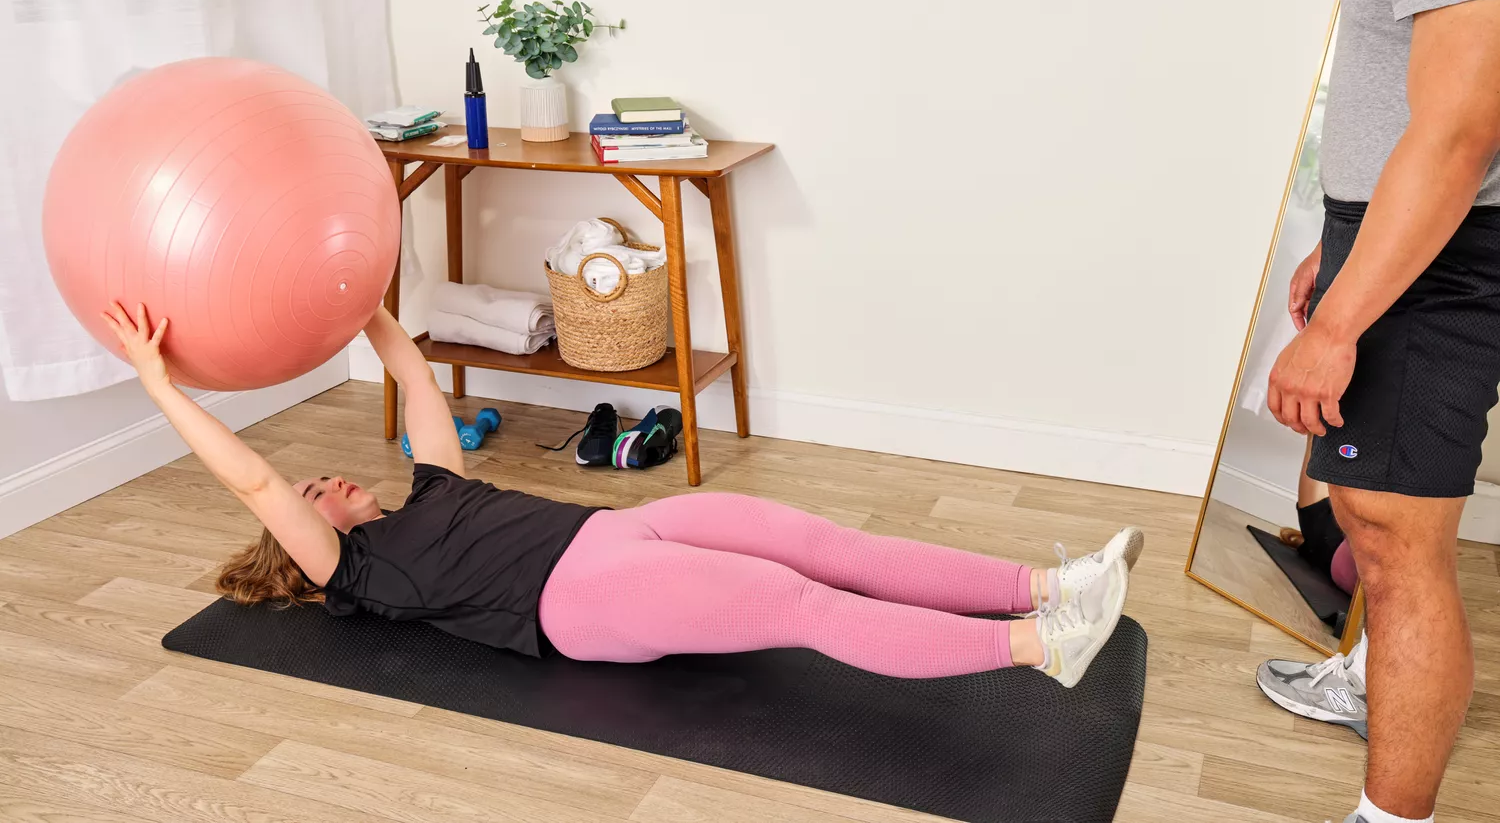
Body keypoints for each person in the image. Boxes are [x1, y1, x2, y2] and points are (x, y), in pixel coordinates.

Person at [101, 301, 1142, 688]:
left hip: (622, 527)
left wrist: (365, 304)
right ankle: (1043, 647)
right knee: (802, 606)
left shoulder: (431, 484)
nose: (324, 482)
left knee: (822, 542)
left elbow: (417, 380)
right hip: (583, 604)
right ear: (306, 540)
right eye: (315, 491)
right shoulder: (353, 569)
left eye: (321, 477)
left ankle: (1046, 583)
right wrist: (160, 384)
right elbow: (249, 473)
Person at [1258, 0, 1500, 820]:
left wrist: (1340, 320)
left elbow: (1460, 130)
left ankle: (1391, 816)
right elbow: (1407, 104)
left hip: (1440, 263)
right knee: (1369, 513)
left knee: (1398, 549)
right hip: (1400, 239)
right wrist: (1341, 241)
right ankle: (1368, 680)